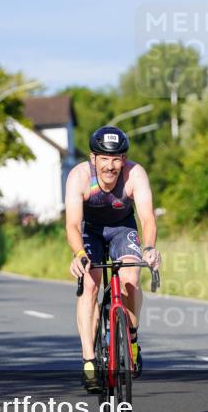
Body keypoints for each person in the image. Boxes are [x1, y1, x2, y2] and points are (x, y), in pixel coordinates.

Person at [64, 126, 162, 391]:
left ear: (124, 159)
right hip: (91, 231)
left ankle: (132, 338)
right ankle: (89, 361)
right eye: (104, 159)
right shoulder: (79, 177)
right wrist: (80, 255)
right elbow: (72, 224)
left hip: (122, 229)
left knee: (130, 277)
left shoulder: (135, 174)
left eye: (116, 159)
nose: (110, 166)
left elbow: (147, 218)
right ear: (93, 158)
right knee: (90, 284)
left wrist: (149, 248)